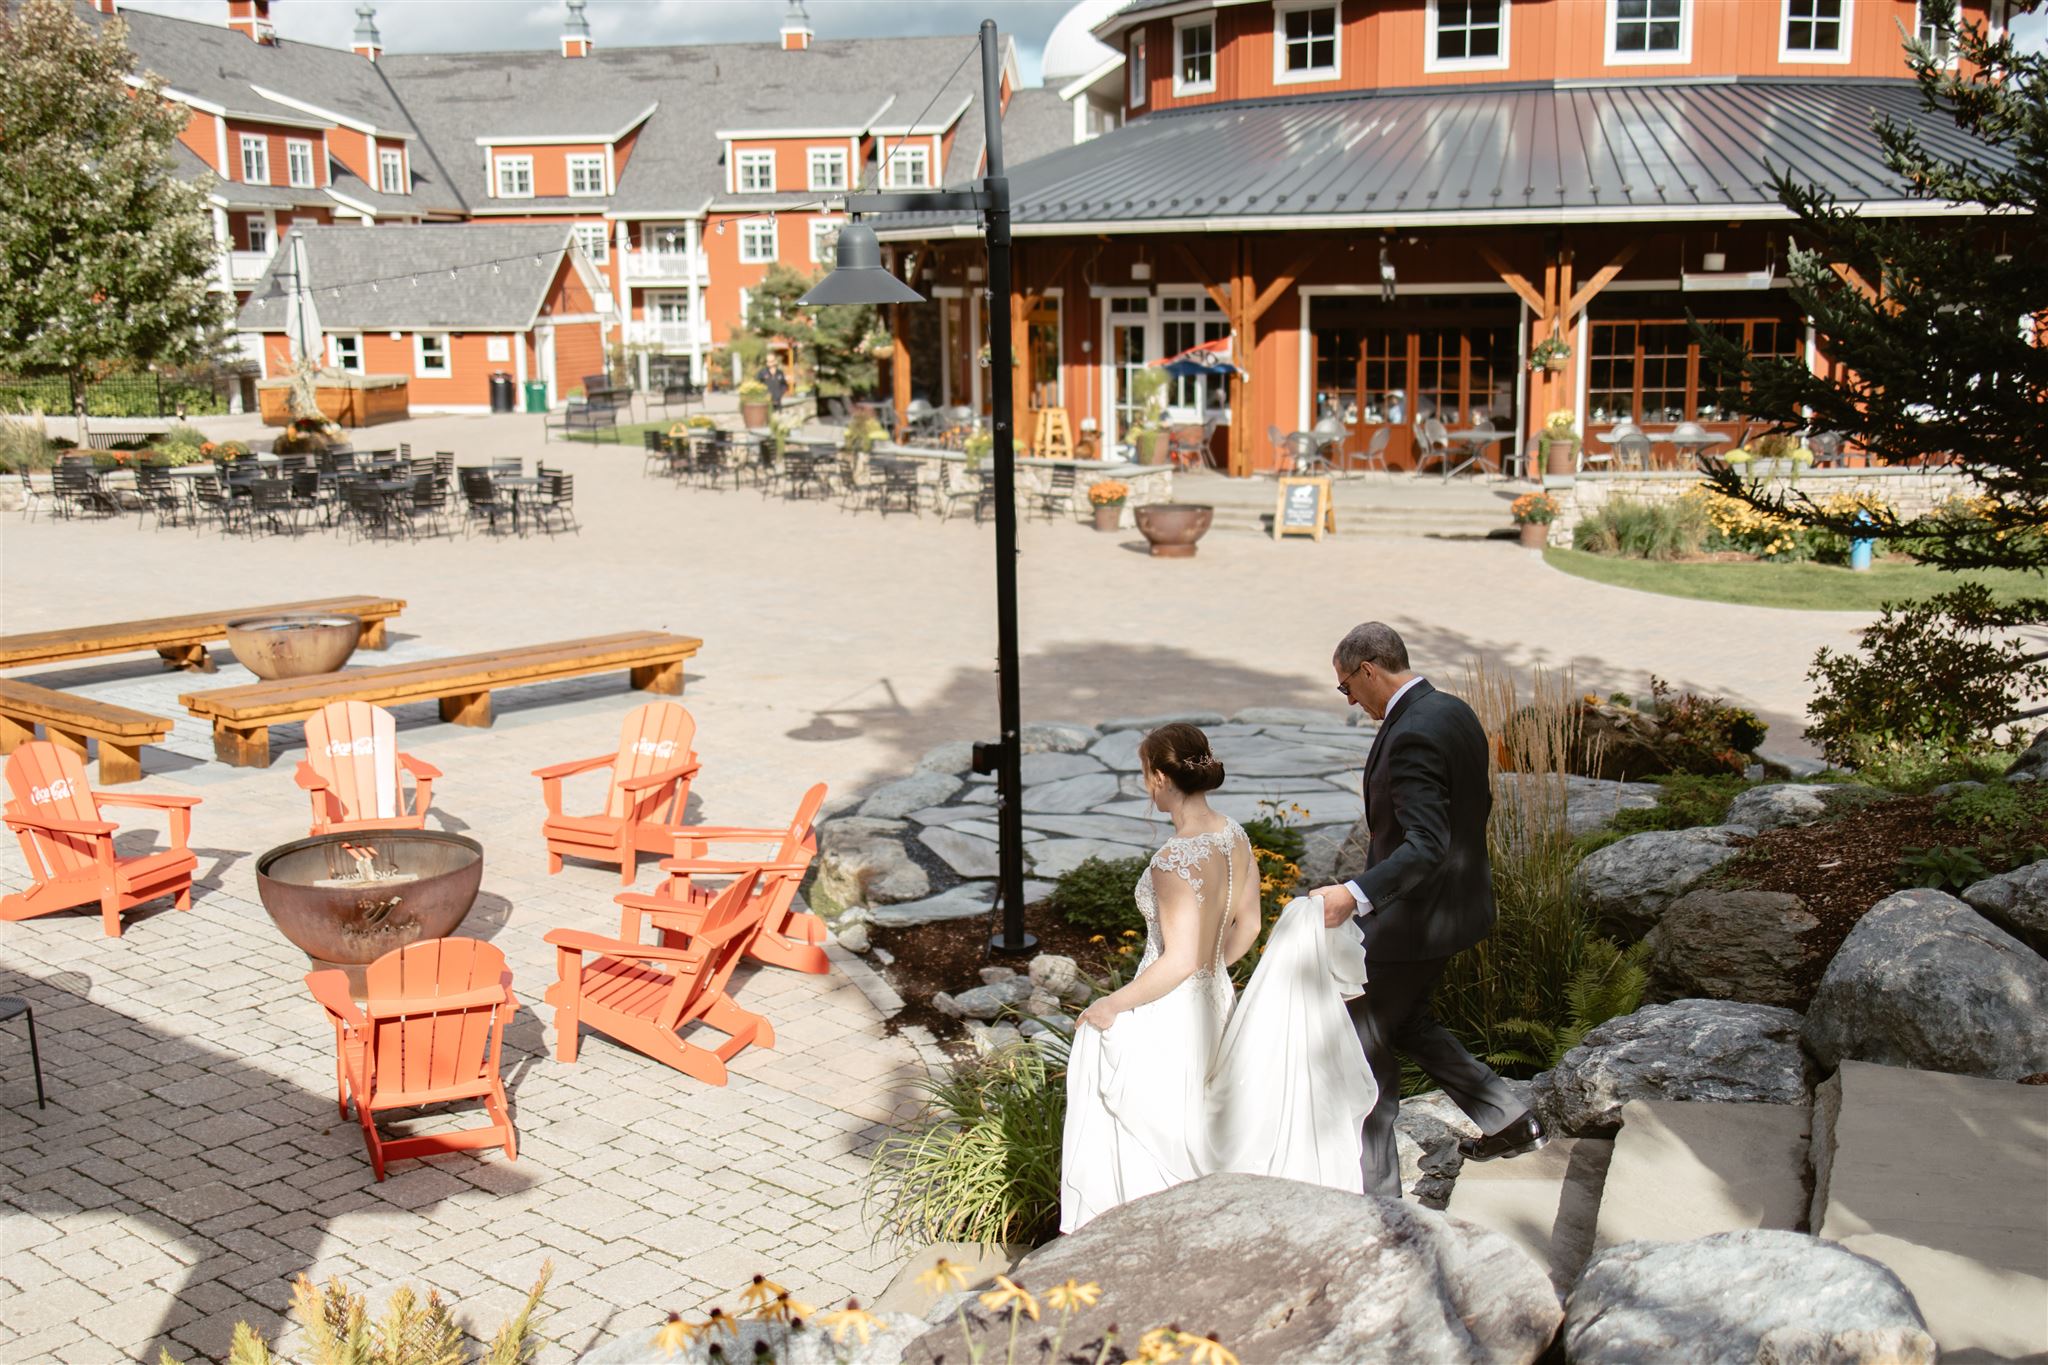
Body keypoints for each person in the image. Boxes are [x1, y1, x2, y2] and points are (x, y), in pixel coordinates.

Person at [1061, 724, 1376, 1232]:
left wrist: (1113, 1004)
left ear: (1161, 777)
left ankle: (1141, 1234)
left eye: (1146, 775)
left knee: (1139, 1111)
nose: (1147, 786)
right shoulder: (1233, 835)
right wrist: (1212, 974)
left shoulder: (1174, 860)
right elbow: (1248, 925)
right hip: (1213, 1001)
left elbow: (1179, 959)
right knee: (1195, 1120)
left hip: (1168, 1012)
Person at [1310, 622, 1547, 1198]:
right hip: (1455, 908)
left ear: (1369, 670)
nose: (1349, 700)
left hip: (1411, 921)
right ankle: (1511, 1121)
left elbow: (1425, 843)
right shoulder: (1452, 710)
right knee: (1408, 1021)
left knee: (1360, 1047)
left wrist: (1356, 894)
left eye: (1346, 687)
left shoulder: (1413, 731)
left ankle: (1378, 1191)